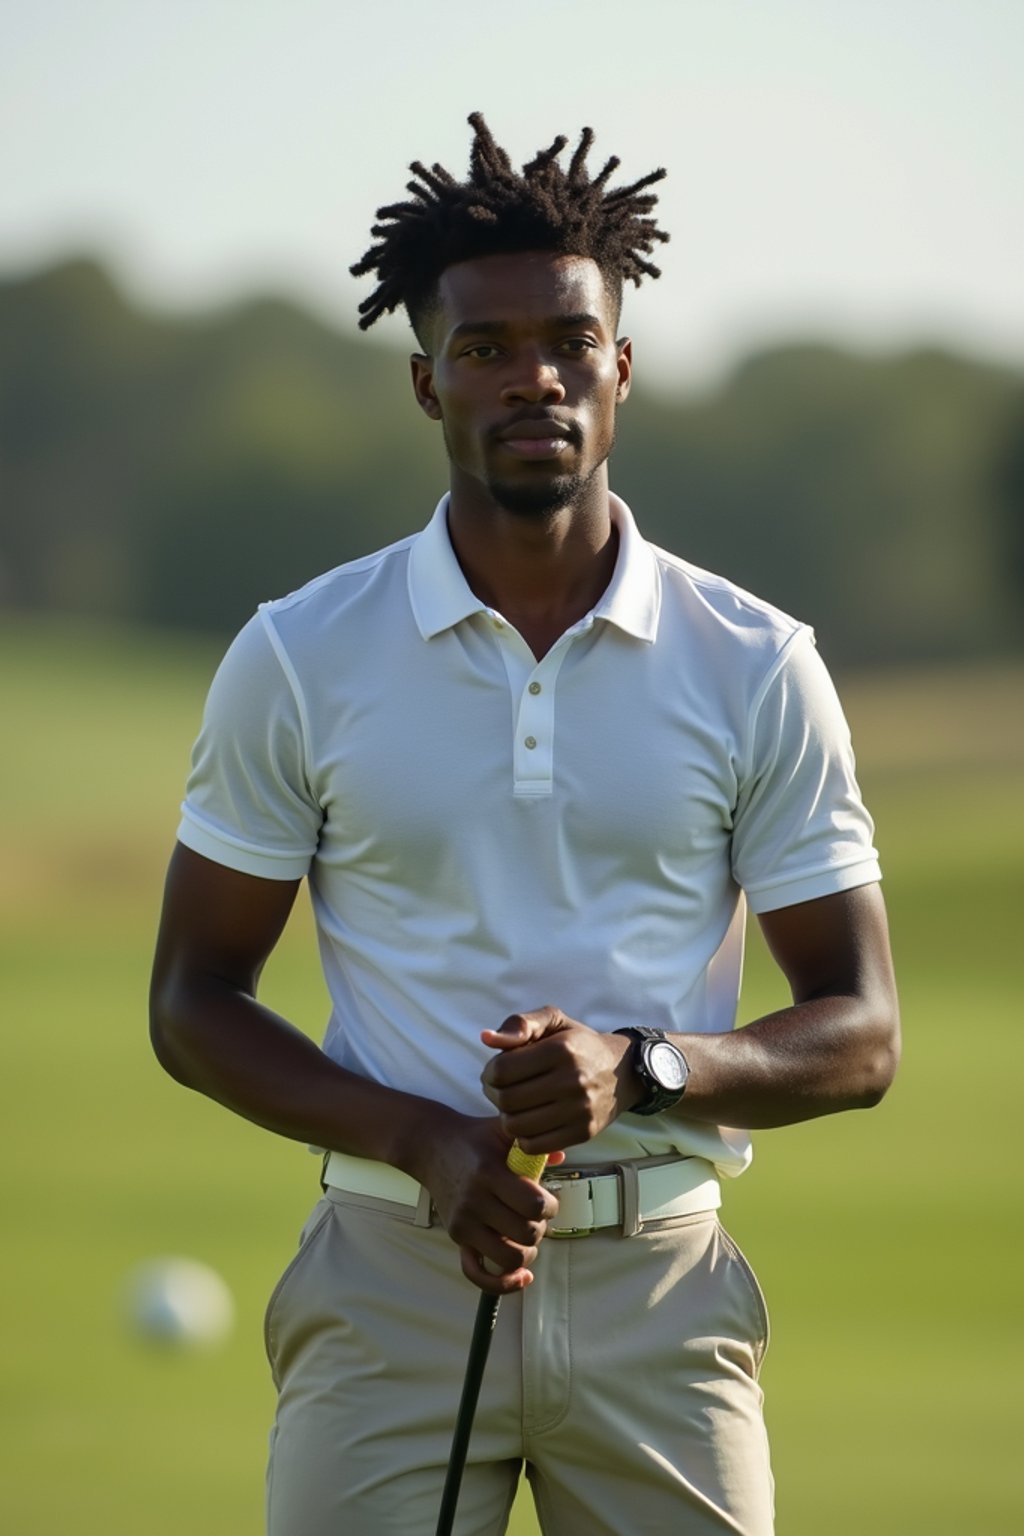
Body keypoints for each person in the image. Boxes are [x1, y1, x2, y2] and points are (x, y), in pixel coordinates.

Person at [150, 113, 900, 1536]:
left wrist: (644, 1067)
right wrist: (427, 1144)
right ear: (427, 383)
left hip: (664, 1291)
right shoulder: (301, 655)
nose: (532, 377)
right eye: (486, 351)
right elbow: (193, 999)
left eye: (568, 339)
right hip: (389, 1285)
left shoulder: (753, 660)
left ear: (621, 366)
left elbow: (861, 1031)